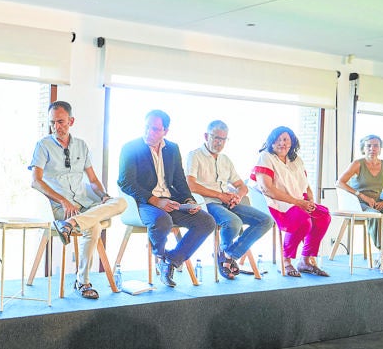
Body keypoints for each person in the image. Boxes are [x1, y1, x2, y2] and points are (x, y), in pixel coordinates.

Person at [29, 101, 127, 299]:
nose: (57, 127)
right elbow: (36, 182)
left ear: (71, 121)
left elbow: (93, 180)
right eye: (52, 123)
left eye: (61, 122)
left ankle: (72, 224)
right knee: (95, 226)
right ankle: (83, 282)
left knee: (121, 202)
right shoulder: (43, 145)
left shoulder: (81, 146)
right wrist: (64, 201)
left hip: (83, 206)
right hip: (59, 208)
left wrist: (104, 196)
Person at [118, 109, 216, 287]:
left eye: (155, 129)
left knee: (207, 222)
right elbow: (126, 182)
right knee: (163, 220)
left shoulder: (172, 148)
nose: (149, 132)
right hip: (144, 202)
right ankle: (161, 254)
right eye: (147, 127)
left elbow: (179, 180)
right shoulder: (130, 148)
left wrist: (188, 201)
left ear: (165, 131)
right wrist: (155, 200)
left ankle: (170, 261)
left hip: (170, 201)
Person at [186, 120, 273, 280]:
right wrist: (220, 195)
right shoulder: (195, 155)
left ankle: (227, 253)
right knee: (233, 222)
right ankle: (227, 256)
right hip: (208, 203)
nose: (219, 142)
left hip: (227, 202)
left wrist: (238, 196)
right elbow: (191, 185)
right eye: (216, 138)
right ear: (206, 136)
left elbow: (241, 185)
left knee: (266, 220)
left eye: (223, 139)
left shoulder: (225, 160)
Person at [252, 126, 331, 277]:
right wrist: (298, 203)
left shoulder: (296, 160)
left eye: (286, 139)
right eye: (278, 140)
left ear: (292, 142)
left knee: (323, 215)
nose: (282, 143)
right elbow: (267, 189)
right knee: (303, 219)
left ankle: (305, 260)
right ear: (271, 142)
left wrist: (311, 201)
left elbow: (306, 185)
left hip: (298, 202)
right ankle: (286, 261)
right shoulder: (266, 157)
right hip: (277, 204)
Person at [336, 134, 383, 268]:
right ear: (363, 148)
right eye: (369, 146)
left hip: (377, 202)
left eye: (375, 145)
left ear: (380, 148)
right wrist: (362, 196)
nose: (372, 148)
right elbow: (340, 182)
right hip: (358, 203)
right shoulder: (357, 164)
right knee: (376, 215)